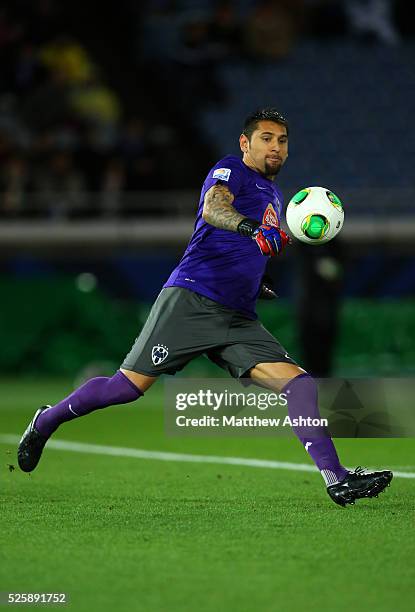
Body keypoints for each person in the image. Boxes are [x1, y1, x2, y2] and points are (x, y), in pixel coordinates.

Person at [18, 108, 392, 506]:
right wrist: (251, 228)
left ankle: (337, 479)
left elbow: (248, 249)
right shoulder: (230, 170)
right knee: (125, 388)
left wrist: (255, 280)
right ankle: (45, 421)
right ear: (245, 144)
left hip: (237, 315)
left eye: (282, 140)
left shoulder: (275, 195)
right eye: (266, 138)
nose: (276, 147)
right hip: (191, 300)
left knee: (299, 385)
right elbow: (215, 209)